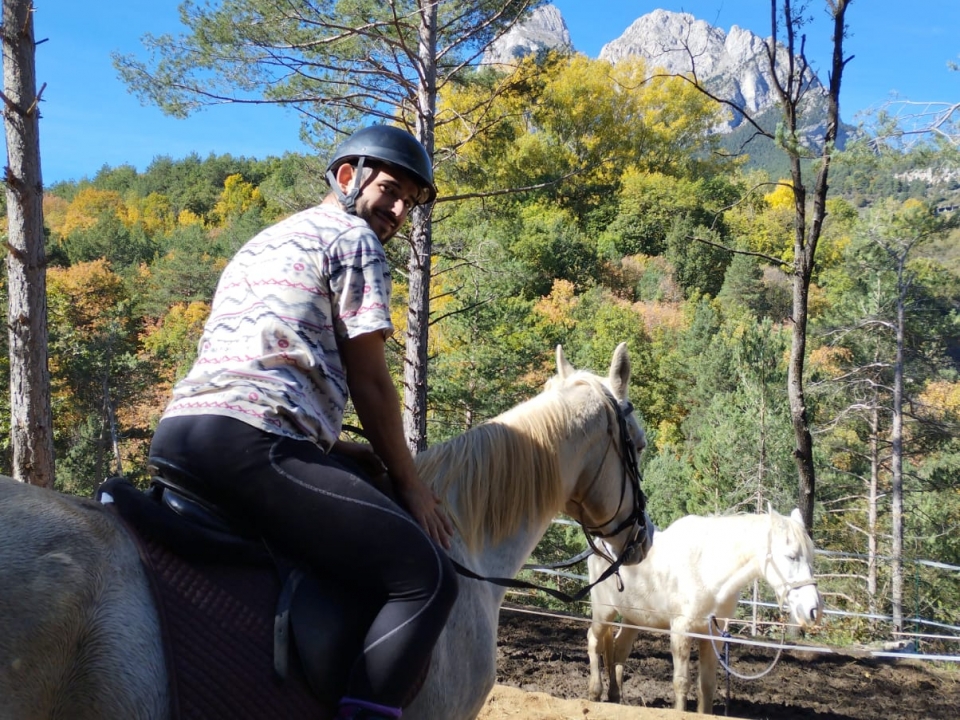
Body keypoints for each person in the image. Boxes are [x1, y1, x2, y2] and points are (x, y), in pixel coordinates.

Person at [148, 125, 459, 720]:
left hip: (182, 434)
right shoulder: (354, 238)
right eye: (390, 191)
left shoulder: (261, 243)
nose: (396, 211)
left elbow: (257, 370)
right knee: (426, 578)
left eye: (409, 203)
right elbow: (369, 380)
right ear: (348, 177)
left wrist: (335, 449)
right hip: (250, 443)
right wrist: (412, 485)